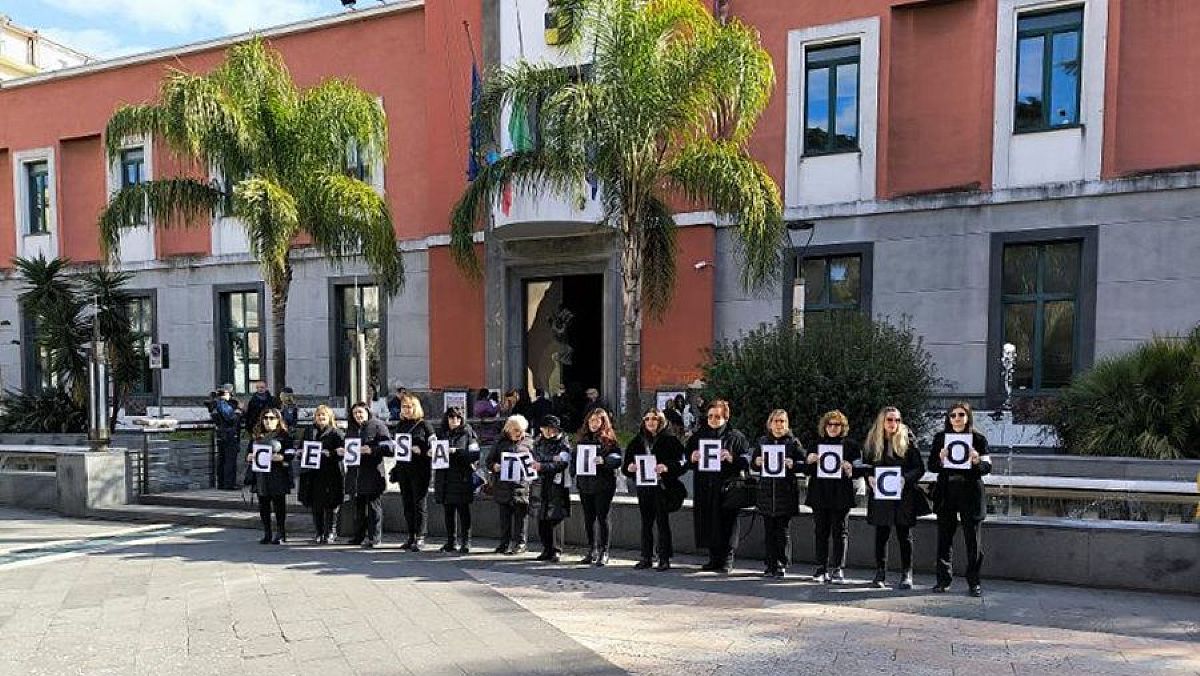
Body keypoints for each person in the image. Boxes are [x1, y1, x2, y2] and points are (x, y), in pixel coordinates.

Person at [928, 402, 992, 597]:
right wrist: (940, 459)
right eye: (953, 415)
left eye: (961, 415)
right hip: (947, 491)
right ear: (948, 418)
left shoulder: (978, 439)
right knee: (944, 539)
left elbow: (988, 467)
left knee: (973, 541)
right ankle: (943, 580)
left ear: (968, 417)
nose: (957, 418)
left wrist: (977, 461)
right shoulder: (940, 439)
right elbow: (931, 466)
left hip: (970, 491)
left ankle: (974, 582)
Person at [859, 406, 926, 590]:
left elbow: (919, 468)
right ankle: (880, 572)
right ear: (882, 421)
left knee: (905, 535)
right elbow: (865, 466)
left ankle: (907, 573)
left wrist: (906, 479)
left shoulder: (908, 440)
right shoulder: (873, 442)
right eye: (889, 420)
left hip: (903, 496)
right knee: (881, 535)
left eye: (897, 420)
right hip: (881, 495)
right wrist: (869, 477)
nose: (893, 424)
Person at [685, 399, 751, 573]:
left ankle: (727, 559)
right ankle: (713, 558)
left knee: (728, 522)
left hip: (727, 487)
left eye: (717, 417)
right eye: (710, 416)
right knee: (708, 521)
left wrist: (731, 458)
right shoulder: (698, 436)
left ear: (725, 418)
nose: (713, 420)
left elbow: (746, 461)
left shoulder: (736, 437)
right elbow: (686, 459)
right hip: (705, 486)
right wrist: (692, 457)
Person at [622, 408, 686, 571]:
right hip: (644, 488)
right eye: (648, 419)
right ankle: (646, 556)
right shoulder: (637, 441)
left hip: (662, 488)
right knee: (646, 523)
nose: (650, 422)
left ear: (661, 422)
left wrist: (666, 468)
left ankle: (664, 558)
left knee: (662, 522)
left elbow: (682, 464)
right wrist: (630, 467)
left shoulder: (670, 440)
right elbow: (625, 467)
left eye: (654, 419)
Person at [803, 410, 860, 584]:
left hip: (841, 493)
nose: (833, 428)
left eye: (837, 425)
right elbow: (806, 471)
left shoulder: (851, 446)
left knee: (840, 531)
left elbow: (858, 471)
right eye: (830, 424)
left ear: (843, 427)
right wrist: (809, 461)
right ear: (824, 426)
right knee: (821, 531)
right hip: (820, 493)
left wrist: (850, 468)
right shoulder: (815, 444)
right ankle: (821, 567)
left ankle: (838, 568)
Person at [751, 410, 805, 578]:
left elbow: (804, 463)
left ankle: (782, 563)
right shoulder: (762, 441)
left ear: (787, 424)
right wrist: (757, 462)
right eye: (776, 421)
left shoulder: (793, 443)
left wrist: (793, 464)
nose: (779, 425)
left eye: (782, 421)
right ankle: (769, 564)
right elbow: (753, 464)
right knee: (769, 531)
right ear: (770, 423)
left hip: (785, 492)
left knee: (783, 531)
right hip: (767, 493)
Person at [572, 408, 623, 566]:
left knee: (603, 517)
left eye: (597, 421)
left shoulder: (609, 440)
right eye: (591, 421)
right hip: (585, 483)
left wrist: (604, 461)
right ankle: (591, 549)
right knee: (588, 518)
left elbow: (617, 458)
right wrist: (574, 470)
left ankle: (604, 550)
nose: (593, 424)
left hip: (603, 484)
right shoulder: (582, 439)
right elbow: (574, 459)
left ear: (603, 422)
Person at [344, 402, 393, 548]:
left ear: (367, 412)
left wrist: (372, 450)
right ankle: (358, 536)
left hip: (373, 473)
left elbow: (389, 448)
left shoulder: (378, 425)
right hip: (355, 474)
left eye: (360, 412)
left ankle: (374, 537)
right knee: (359, 508)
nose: (358, 415)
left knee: (373, 507)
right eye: (355, 413)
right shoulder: (352, 428)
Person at [391, 394, 437, 552]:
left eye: (410, 406)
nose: (407, 410)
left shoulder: (425, 425)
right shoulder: (400, 425)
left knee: (419, 503)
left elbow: (434, 447)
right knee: (407, 503)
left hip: (420, 469)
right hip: (404, 469)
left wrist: (422, 450)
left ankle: (420, 536)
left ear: (416, 407)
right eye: (404, 407)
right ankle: (411, 535)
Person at [434, 406, 481, 553]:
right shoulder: (441, 433)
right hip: (445, 477)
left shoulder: (468, 433)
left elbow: (475, 455)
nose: (454, 421)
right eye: (451, 418)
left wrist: (457, 451)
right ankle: (451, 541)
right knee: (448, 511)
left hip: (462, 477)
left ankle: (466, 542)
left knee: (463, 511)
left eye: (457, 418)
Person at [245, 408, 294, 544]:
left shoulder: (284, 436)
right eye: (265, 418)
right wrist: (249, 457)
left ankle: (281, 533)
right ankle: (267, 532)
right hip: (261, 476)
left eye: (272, 418)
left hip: (278, 474)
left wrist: (282, 457)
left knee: (279, 505)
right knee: (263, 506)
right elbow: (248, 453)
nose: (268, 421)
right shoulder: (256, 436)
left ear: (278, 420)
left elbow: (291, 453)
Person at [487, 414, 534, 555]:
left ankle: (521, 543)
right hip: (504, 485)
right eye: (516, 431)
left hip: (522, 484)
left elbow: (536, 460)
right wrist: (494, 466)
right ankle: (504, 543)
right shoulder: (500, 442)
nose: (519, 434)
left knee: (521, 515)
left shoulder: (529, 442)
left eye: (521, 431)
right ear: (508, 429)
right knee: (505, 517)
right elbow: (489, 461)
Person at [298, 404, 345, 544]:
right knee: (315, 503)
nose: (321, 418)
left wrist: (330, 453)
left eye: (324, 415)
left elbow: (342, 451)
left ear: (330, 417)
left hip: (331, 473)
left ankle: (330, 532)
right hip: (313, 473)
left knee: (330, 504)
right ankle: (318, 532)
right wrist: (300, 452)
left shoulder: (336, 433)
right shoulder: (309, 431)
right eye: (318, 415)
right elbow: (302, 446)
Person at [531, 414, 572, 562]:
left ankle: (556, 549)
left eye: (552, 429)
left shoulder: (563, 443)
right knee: (541, 517)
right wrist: (550, 461)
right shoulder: (537, 442)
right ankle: (546, 548)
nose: (549, 432)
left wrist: (543, 465)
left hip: (557, 483)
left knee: (555, 517)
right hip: (540, 483)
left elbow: (561, 463)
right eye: (546, 429)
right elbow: (534, 458)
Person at [211, 387, 242, 490]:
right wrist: (238, 411)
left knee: (222, 459)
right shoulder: (223, 404)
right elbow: (231, 418)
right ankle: (229, 484)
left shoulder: (215, 404)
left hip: (220, 434)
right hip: (229, 434)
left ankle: (221, 483)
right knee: (229, 460)